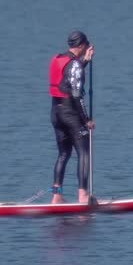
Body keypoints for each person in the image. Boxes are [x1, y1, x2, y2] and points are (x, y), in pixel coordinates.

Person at [48, 30, 95, 204]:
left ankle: (57, 196)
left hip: (56, 113)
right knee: (84, 152)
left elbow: (68, 77)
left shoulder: (58, 59)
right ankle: (83, 196)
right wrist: (86, 119)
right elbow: (76, 95)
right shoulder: (74, 65)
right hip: (71, 114)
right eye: (86, 45)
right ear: (81, 45)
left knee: (63, 154)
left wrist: (86, 61)